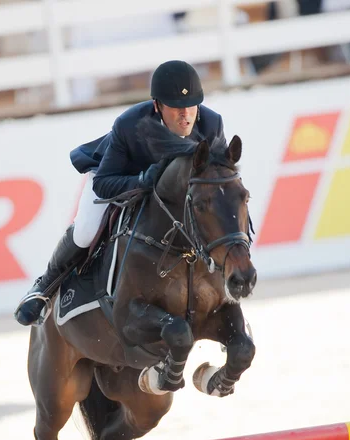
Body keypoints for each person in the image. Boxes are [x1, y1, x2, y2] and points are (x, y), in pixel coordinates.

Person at [14, 60, 226, 326]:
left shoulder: (211, 125)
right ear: (157, 105)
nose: (185, 115)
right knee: (86, 230)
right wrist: (143, 180)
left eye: (191, 106)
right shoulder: (130, 125)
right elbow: (104, 182)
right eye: (176, 108)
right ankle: (44, 288)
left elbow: (218, 182)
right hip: (120, 177)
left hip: (172, 195)